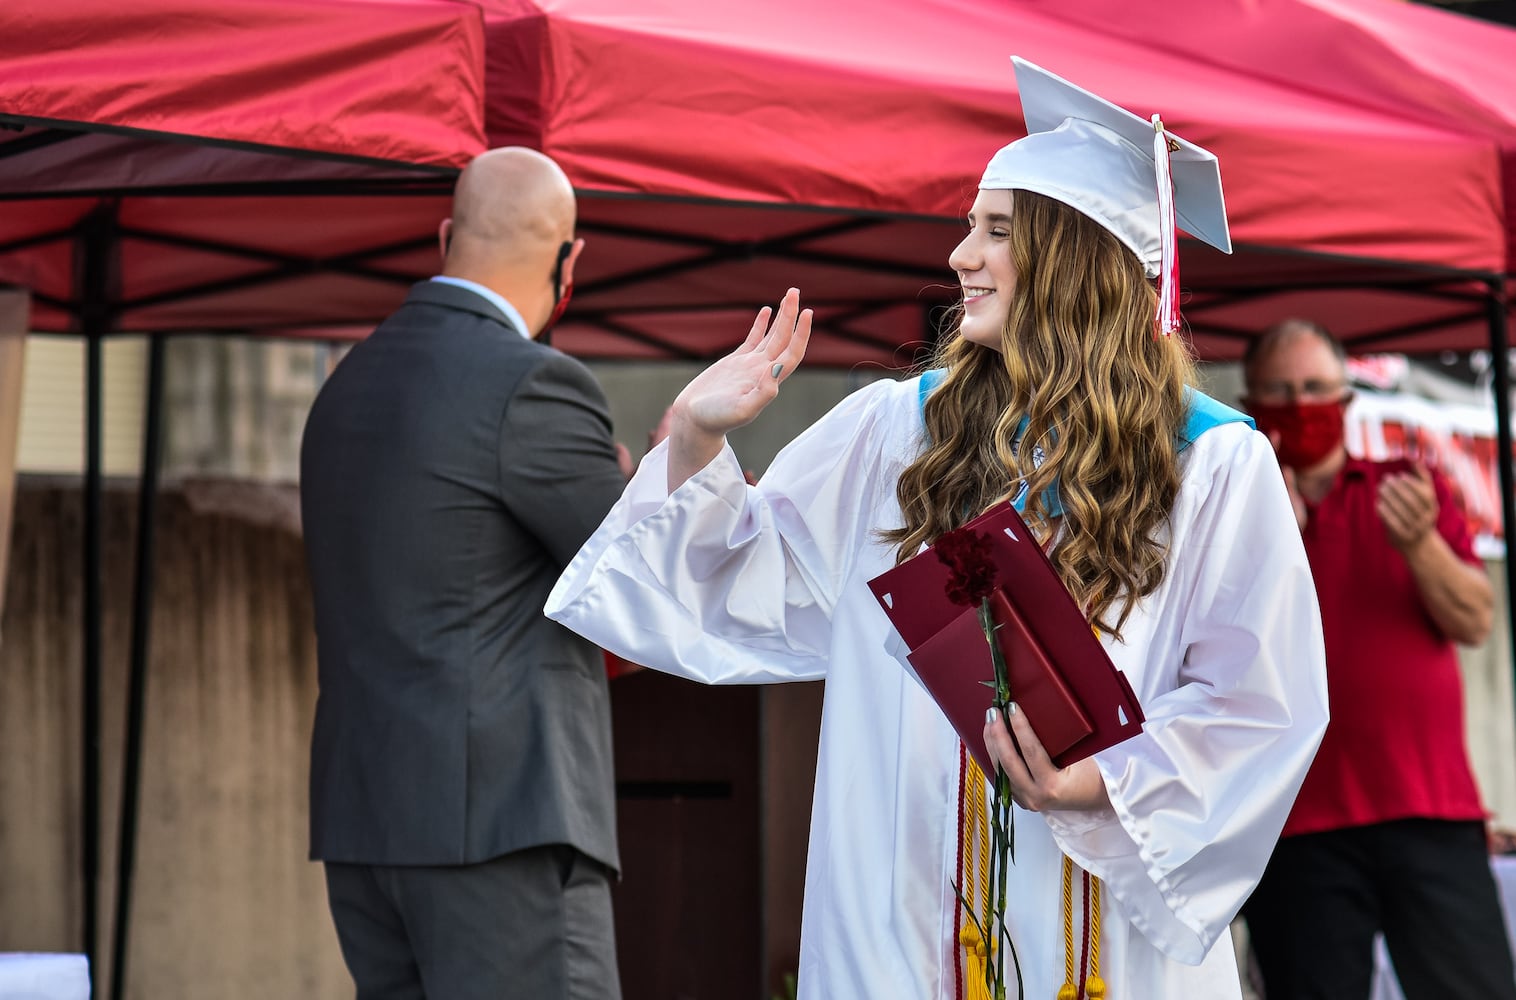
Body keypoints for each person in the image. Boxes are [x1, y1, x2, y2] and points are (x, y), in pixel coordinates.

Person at [547, 59, 1327, 999]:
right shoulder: (894, 431)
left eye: (996, 231)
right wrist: (701, 438)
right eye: (967, 228)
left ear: (1074, 259)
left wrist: (1104, 785)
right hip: (900, 916)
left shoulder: (1209, 462)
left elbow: (1261, 698)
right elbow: (753, 580)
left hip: (1104, 933)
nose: (960, 256)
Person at [300, 147, 631, 1000]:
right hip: (499, 828)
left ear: (448, 234)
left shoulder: (345, 387)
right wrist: (675, 474)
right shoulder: (535, 385)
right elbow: (638, 578)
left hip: (367, 823)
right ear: (570, 261)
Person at [1239, 318, 1515, 1000]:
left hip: (1428, 808)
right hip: (1291, 823)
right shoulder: (1234, 510)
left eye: (1314, 388)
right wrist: (1270, 539)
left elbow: (1476, 619)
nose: (1300, 406)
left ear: (1345, 399)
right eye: (1280, 391)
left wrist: (1419, 543)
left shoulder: (1408, 486)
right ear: (1251, 403)